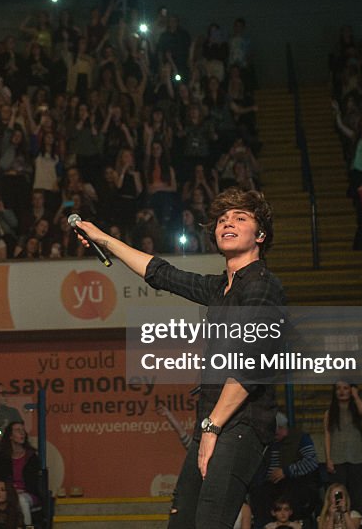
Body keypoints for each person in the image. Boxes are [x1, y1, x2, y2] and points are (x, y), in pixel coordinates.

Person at [73, 187, 285, 529]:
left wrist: (213, 427)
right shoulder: (221, 288)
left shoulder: (262, 285)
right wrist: (103, 238)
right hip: (214, 423)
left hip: (240, 426)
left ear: (260, 234)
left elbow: (251, 366)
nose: (227, 222)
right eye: (222, 218)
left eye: (240, 217)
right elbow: (161, 273)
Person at [323, 381, 362, 516]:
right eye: (338, 388)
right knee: (338, 495)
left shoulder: (355, 410)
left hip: (357, 457)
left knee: (357, 495)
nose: (342, 391)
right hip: (337, 458)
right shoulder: (329, 413)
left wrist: (356, 395)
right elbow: (327, 436)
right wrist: (328, 458)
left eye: (346, 388)